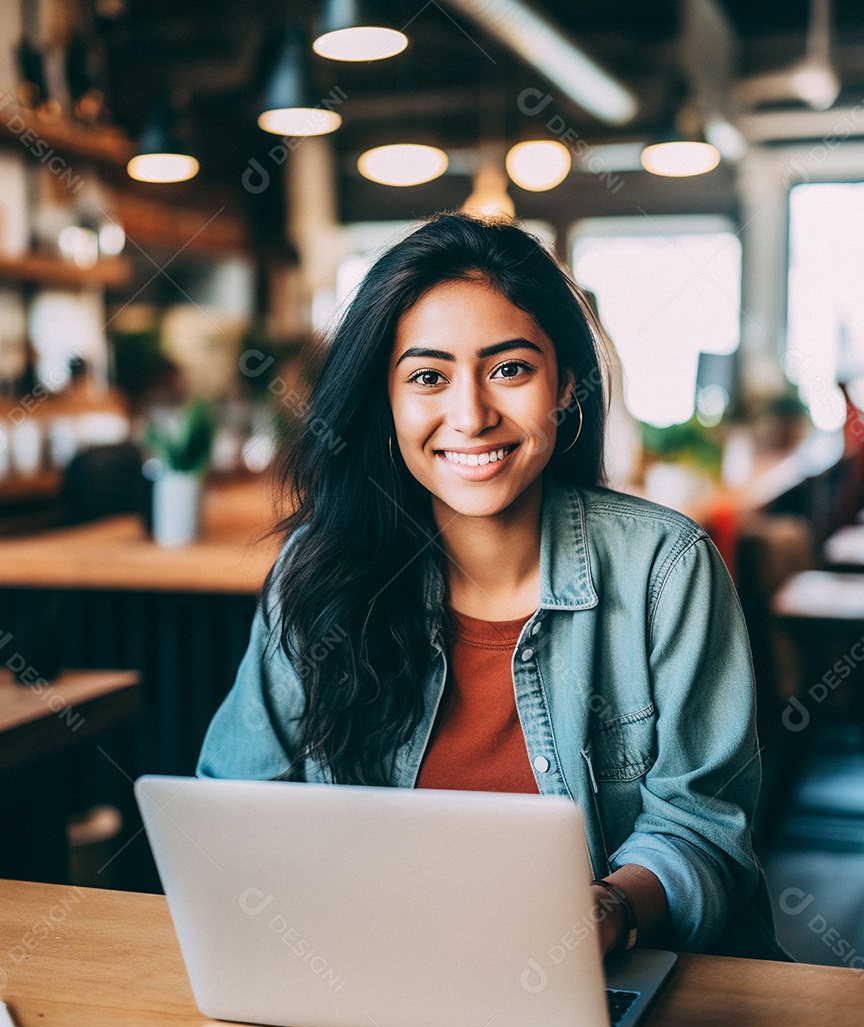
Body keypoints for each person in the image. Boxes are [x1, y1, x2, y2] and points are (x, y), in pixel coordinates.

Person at [197, 211, 790, 962]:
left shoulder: (665, 569)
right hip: (379, 978)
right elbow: (234, 804)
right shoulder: (314, 577)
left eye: (510, 369)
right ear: (385, 402)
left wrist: (608, 909)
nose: (472, 416)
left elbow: (705, 832)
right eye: (428, 377)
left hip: (625, 983)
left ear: (565, 384)